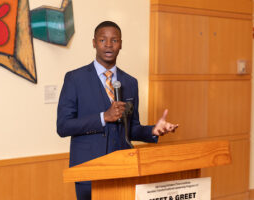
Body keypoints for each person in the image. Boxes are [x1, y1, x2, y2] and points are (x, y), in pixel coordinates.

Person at [57, 21, 178, 200]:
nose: (108, 44)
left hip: (123, 170)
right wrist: (103, 117)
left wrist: (152, 130)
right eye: (102, 40)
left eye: (114, 40)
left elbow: (132, 129)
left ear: (121, 44)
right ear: (93, 43)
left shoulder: (130, 82)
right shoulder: (75, 78)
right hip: (88, 170)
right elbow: (63, 126)